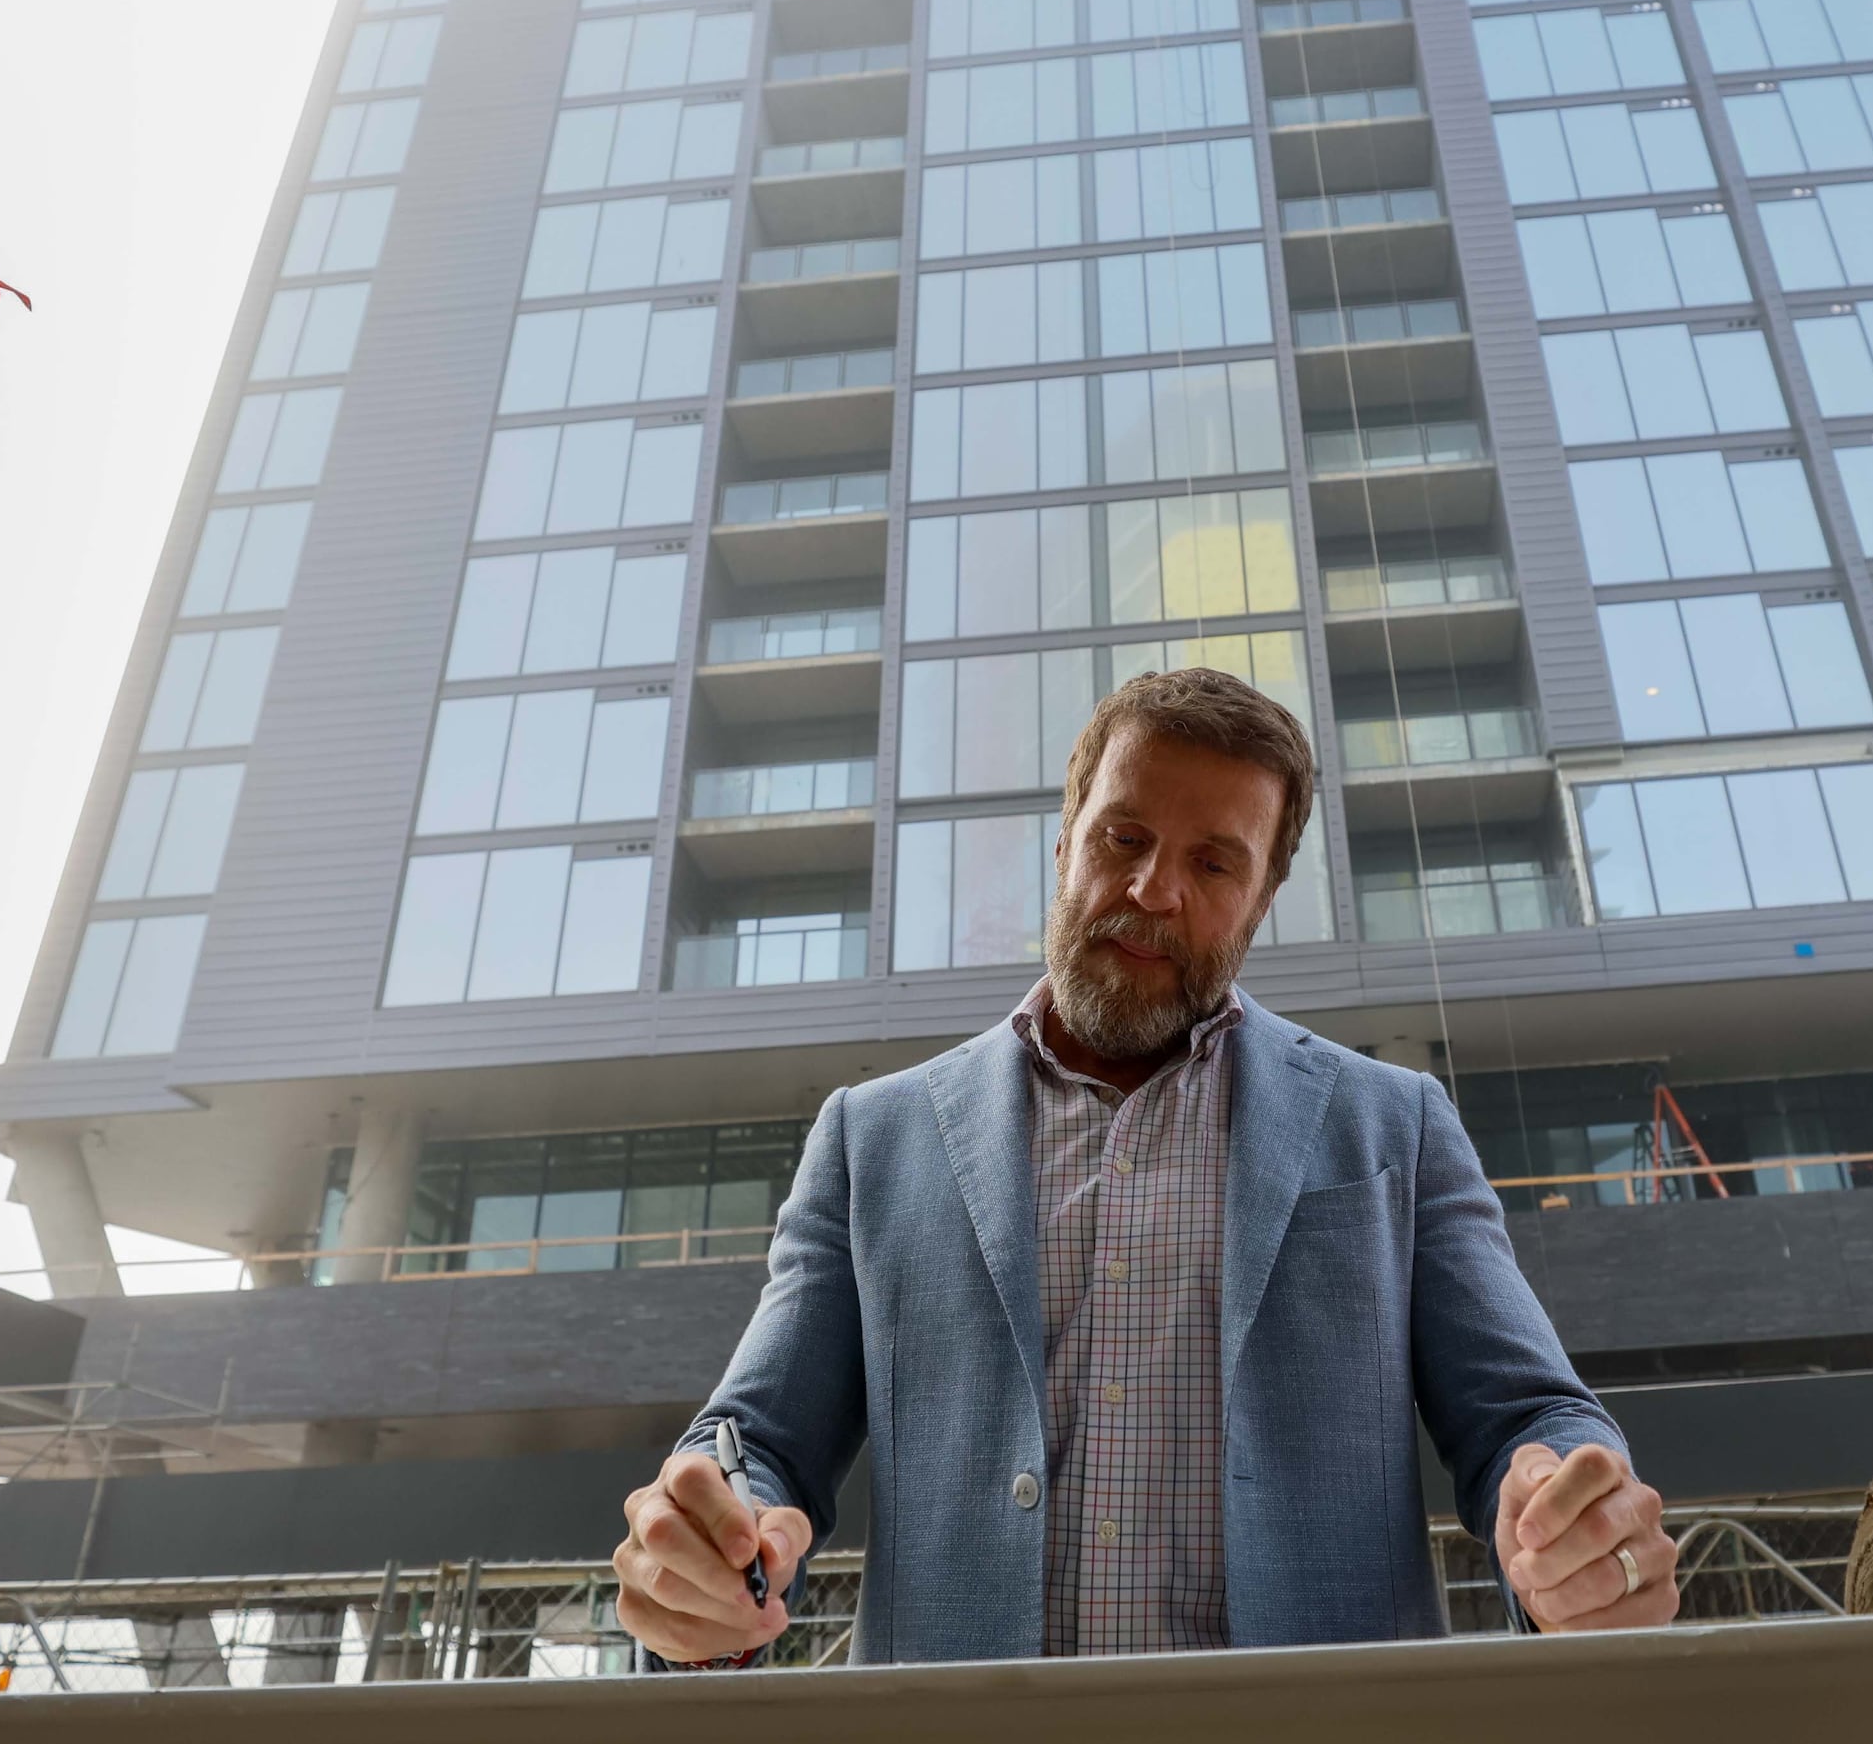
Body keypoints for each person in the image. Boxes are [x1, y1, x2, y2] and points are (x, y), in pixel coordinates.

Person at [615, 668, 1678, 1667]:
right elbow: (755, 1439)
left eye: (1214, 862)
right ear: (1067, 841)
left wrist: (1567, 1512)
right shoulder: (872, 1137)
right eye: (1122, 835)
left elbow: (1529, 1416)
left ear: (1261, 899)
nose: (1153, 888)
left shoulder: (1394, 1124)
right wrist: (714, 1535)